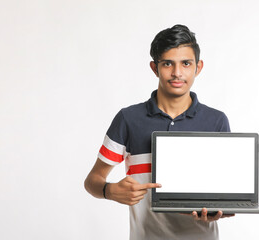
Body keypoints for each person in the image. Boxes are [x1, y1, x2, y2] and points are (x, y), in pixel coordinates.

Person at [84, 24, 234, 240]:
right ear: (155, 68)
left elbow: (226, 191)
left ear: (198, 67)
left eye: (186, 63)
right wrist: (110, 190)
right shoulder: (128, 119)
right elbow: (93, 180)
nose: (177, 73)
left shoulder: (216, 121)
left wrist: (218, 210)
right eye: (167, 64)